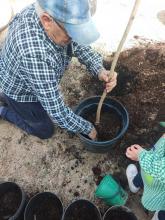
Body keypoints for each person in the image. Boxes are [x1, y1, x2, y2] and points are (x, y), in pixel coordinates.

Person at [0, 0, 117, 140]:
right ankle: (3, 110)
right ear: (47, 21)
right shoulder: (34, 55)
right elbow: (57, 111)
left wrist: (99, 69)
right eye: (70, 33)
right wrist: (87, 127)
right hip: (20, 91)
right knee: (45, 131)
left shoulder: (51, 10)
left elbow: (77, 43)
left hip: (20, 73)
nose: (73, 38)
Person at [126, 118, 165, 220]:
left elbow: (161, 170)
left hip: (158, 176)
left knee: (162, 212)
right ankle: (134, 185)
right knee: (144, 173)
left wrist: (141, 156)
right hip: (154, 168)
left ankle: (157, 216)